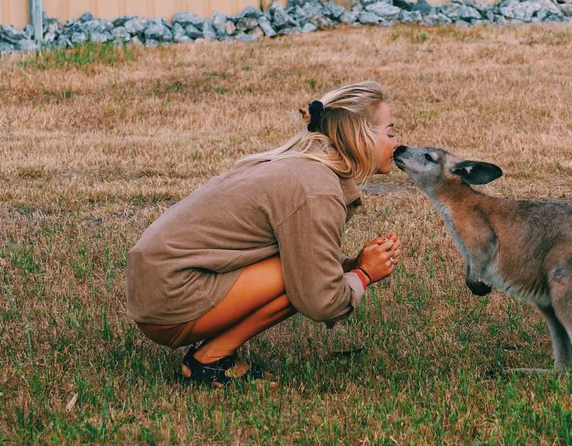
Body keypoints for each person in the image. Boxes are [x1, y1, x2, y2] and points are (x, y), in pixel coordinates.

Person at [125, 81, 402, 386]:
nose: (397, 141)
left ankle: (211, 357)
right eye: (390, 132)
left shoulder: (300, 167)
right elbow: (321, 301)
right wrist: (363, 274)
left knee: (305, 269)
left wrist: (346, 264)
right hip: (170, 300)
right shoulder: (316, 188)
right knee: (303, 276)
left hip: (158, 289)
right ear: (360, 138)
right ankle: (209, 362)